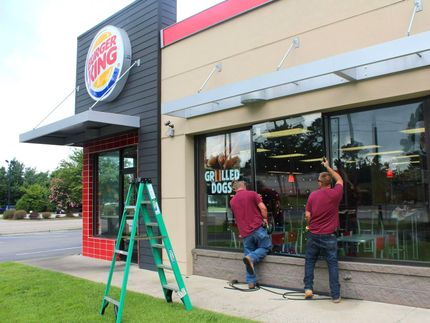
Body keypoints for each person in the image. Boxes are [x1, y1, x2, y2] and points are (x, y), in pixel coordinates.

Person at [303, 157, 343, 303]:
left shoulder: (313, 195)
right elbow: (339, 179)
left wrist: (309, 224)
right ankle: (336, 295)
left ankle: (308, 288)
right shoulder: (335, 193)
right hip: (329, 236)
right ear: (329, 182)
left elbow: (308, 215)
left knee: (309, 261)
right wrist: (328, 167)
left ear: (320, 182)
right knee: (332, 264)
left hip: (313, 234)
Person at [230, 179, 272, 289]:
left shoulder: (232, 201)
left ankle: (251, 282)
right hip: (257, 228)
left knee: (248, 253)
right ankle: (251, 257)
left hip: (245, 233)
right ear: (244, 186)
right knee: (266, 247)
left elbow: (239, 215)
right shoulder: (252, 194)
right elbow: (263, 208)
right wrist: (265, 219)